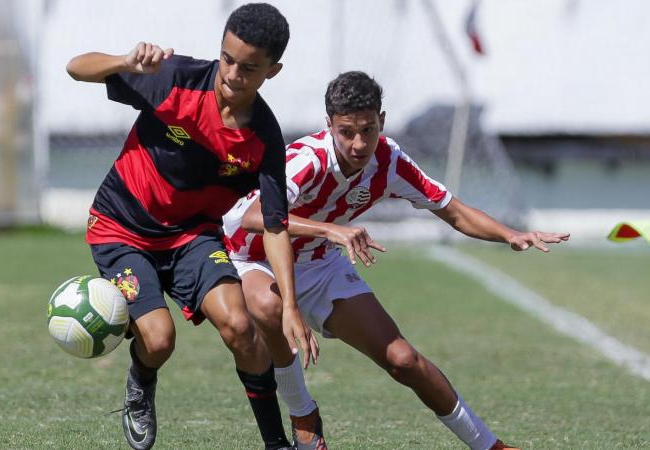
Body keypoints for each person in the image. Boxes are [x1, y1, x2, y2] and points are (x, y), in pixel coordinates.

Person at [223, 71, 570, 450]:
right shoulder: (306, 159)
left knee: (403, 359)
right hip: (252, 255)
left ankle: (490, 446)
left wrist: (509, 234)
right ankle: (302, 413)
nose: (359, 143)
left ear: (382, 122)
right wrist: (331, 230)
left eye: (368, 130)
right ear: (329, 126)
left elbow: (452, 211)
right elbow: (255, 216)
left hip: (318, 262)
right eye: (346, 132)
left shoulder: (388, 162)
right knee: (270, 308)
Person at [65, 4, 319, 449]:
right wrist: (126, 61)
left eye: (249, 67)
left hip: (191, 237)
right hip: (121, 228)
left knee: (241, 328)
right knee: (160, 341)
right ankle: (141, 381)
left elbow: (275, 227)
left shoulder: (264, 138)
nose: (232, 73)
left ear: (272, 71)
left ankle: (276, 442)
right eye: (227, 58)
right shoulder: (174, 78)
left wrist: (291, 306)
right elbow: (75, 68)